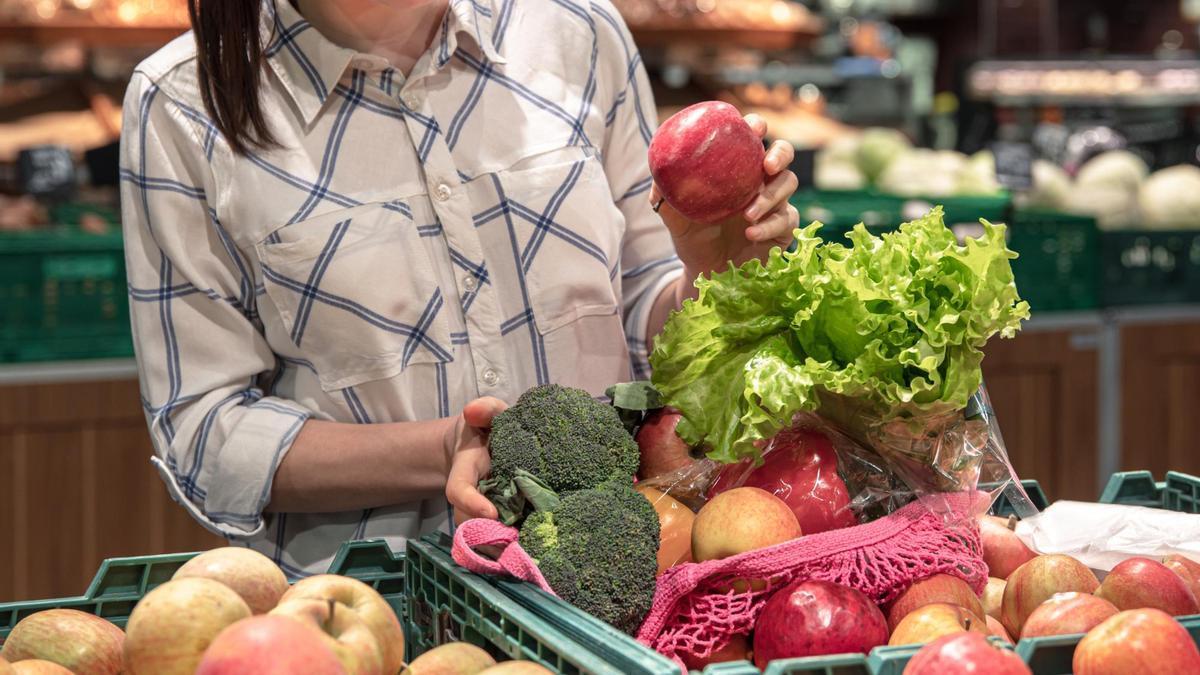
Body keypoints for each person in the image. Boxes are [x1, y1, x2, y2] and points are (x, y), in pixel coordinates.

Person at [120, 0, 799, 576]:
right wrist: (443, 449)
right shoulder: (183, 108)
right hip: (375, 606)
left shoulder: (578, 35)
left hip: (620, 587)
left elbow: (648, 318)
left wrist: (714, 267)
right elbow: (206, 430)